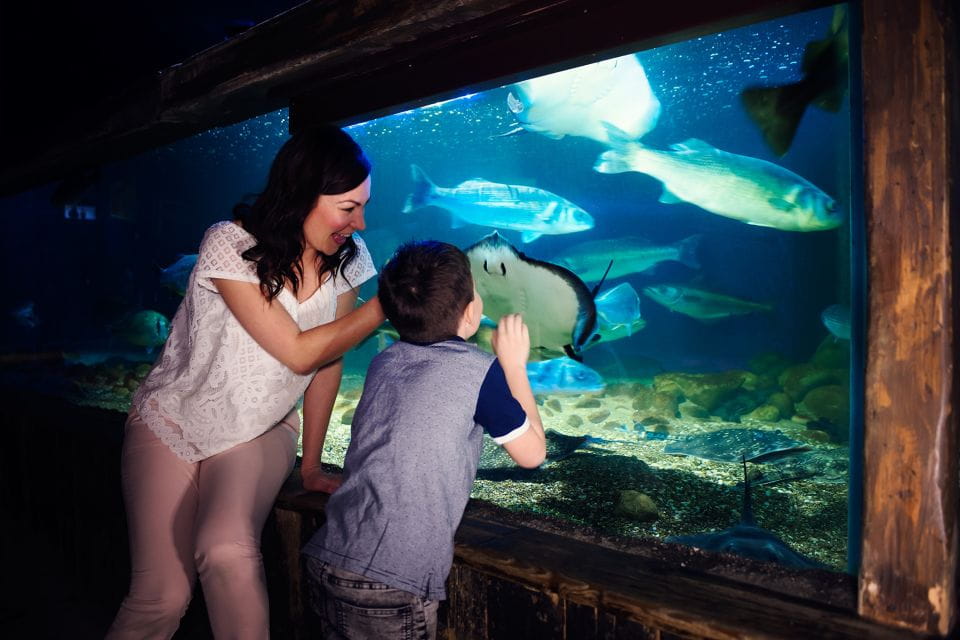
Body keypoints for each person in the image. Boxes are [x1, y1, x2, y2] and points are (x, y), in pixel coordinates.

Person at [107, 125, 385, 639]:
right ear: (304, 192)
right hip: (171, 419)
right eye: (349, 207)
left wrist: (311, 465)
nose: (360, 222)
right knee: (161, 597)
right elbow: (298, 351)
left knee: (225, 550)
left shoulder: (350, 259)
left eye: (363, 207)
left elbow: (326, 361)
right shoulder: (229, 243)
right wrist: (387, 303)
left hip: (261, 427)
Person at [302, 240, 547, 640]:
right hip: (391, 581)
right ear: (471, 312)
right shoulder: (479, 371)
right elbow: (533, 454)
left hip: (329, 553)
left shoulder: (384, 361)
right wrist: (514, 366)